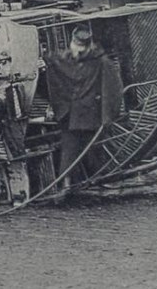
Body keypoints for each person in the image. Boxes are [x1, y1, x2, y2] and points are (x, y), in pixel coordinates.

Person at [44, 24, 123, 189]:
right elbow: (54, 72)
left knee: (93, 149)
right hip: (69, 115)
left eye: (81, 49)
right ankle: (66, 184)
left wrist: (107, 117)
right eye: (76, 48)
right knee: (70, 149)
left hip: (91, 115)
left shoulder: (101, 62)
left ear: (88, 46)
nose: (77, 52)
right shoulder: (63, 59)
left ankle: (98, 180)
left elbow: (112, 90)